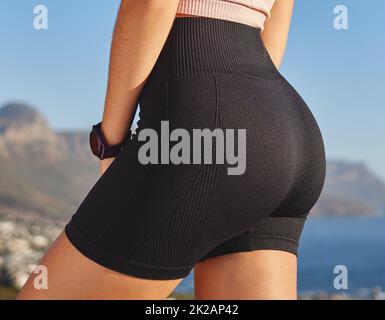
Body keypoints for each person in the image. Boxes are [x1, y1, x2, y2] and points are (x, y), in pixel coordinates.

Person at [17, 0, 326, 300]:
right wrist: (248, 130)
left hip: (207, 119)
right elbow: (277, 16)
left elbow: (150, 3)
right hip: (286, 126)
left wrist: (109, 143)